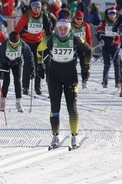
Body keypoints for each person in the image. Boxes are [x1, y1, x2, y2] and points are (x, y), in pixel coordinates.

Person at [36, 10, 92, 149]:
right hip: (54, 77)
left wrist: (86, 67)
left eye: (65, 29)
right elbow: (38, 50)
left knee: (71, 107)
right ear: (56, 28)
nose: (62, 31)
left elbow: (89, 51)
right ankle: (55, 135)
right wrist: (39, 65)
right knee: (55, 108)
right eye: (60, 28)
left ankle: (74, 136)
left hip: (70, 78)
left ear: (69, 29)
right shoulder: (49, 39)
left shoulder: (75, 39)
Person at [14, 0, 51, 95]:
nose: (37, 9)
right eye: (35, 8)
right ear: (32, 8)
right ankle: (25, 87)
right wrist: (19, 36)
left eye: (39, 7)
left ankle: (37, 87)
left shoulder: (44, 16)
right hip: (27, 43)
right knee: (28, 64)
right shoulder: (26, 16)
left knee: (39, 64)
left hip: (39, 43)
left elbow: (48, 30)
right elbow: (18, 29)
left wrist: (48, 43)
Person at [0, 31, 34, 112]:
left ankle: (18, 101)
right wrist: (0, 68)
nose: (14, 46)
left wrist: (31, 68)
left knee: (17, 81)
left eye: (16, 44)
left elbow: (29, 56)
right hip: (6, 63)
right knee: (6, 81)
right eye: (12, 44)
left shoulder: (22, 44)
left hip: (17, 63)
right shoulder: (5, 44)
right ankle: (2, 101)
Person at [96, 7, 121, 88]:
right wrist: (100, 39)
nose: (112, 16)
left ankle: (117, 82)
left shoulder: (118, 22)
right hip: (106, 45)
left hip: (115, 45)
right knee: (106, 65)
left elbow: (121, 32)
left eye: (113, 14)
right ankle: (105, 81)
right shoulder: (103, 22)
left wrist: (119, 41)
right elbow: (98, 32)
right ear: (107, 14)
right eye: (110, 14)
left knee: (117, 65)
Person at [71, 11, 92, 89]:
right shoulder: (71, 26)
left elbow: (89, 37)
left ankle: (84, 80)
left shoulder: (85, 25)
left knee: (84, 65)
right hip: (73, 47)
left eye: (81, 19)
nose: (79, 21)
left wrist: (89, 48)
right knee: (73, 64)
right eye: (78, 19)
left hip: (83, 46)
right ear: (75, 19)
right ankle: (73, 80)